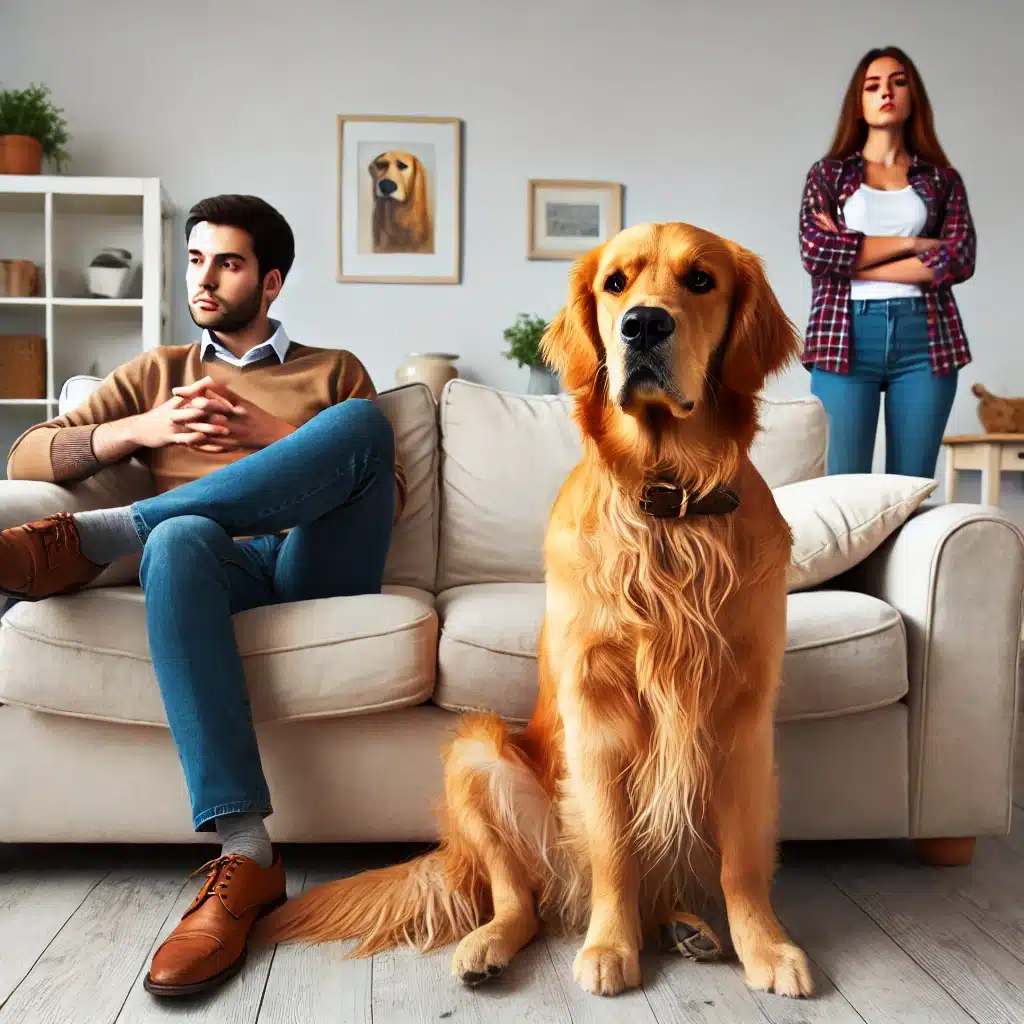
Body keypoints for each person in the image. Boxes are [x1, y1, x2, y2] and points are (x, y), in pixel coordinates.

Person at [0, 194, 406, 998]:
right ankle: (248, 855)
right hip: (209, 569)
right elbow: (27, 456)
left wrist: (269, 435)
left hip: (309, 563)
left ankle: (105, 533)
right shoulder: (158, 373)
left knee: (361, 426)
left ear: (272, 280)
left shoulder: (334, 369)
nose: (205, 279)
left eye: (227, 262)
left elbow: (383, 488)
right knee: (181, 538)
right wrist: (139, 431)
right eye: (195, 260)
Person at [798, 45, 976, 477]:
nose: (886, 92)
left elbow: (959, 256)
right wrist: (916, 244)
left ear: (913, 96)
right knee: (843, 488)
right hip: (843, 334)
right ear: (858, 103)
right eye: (873, 85)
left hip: (925, 338)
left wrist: (858, 259)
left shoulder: (940, 179)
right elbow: (817, 252)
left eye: (898, 82)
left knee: (911, 487)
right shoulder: (829, 175)